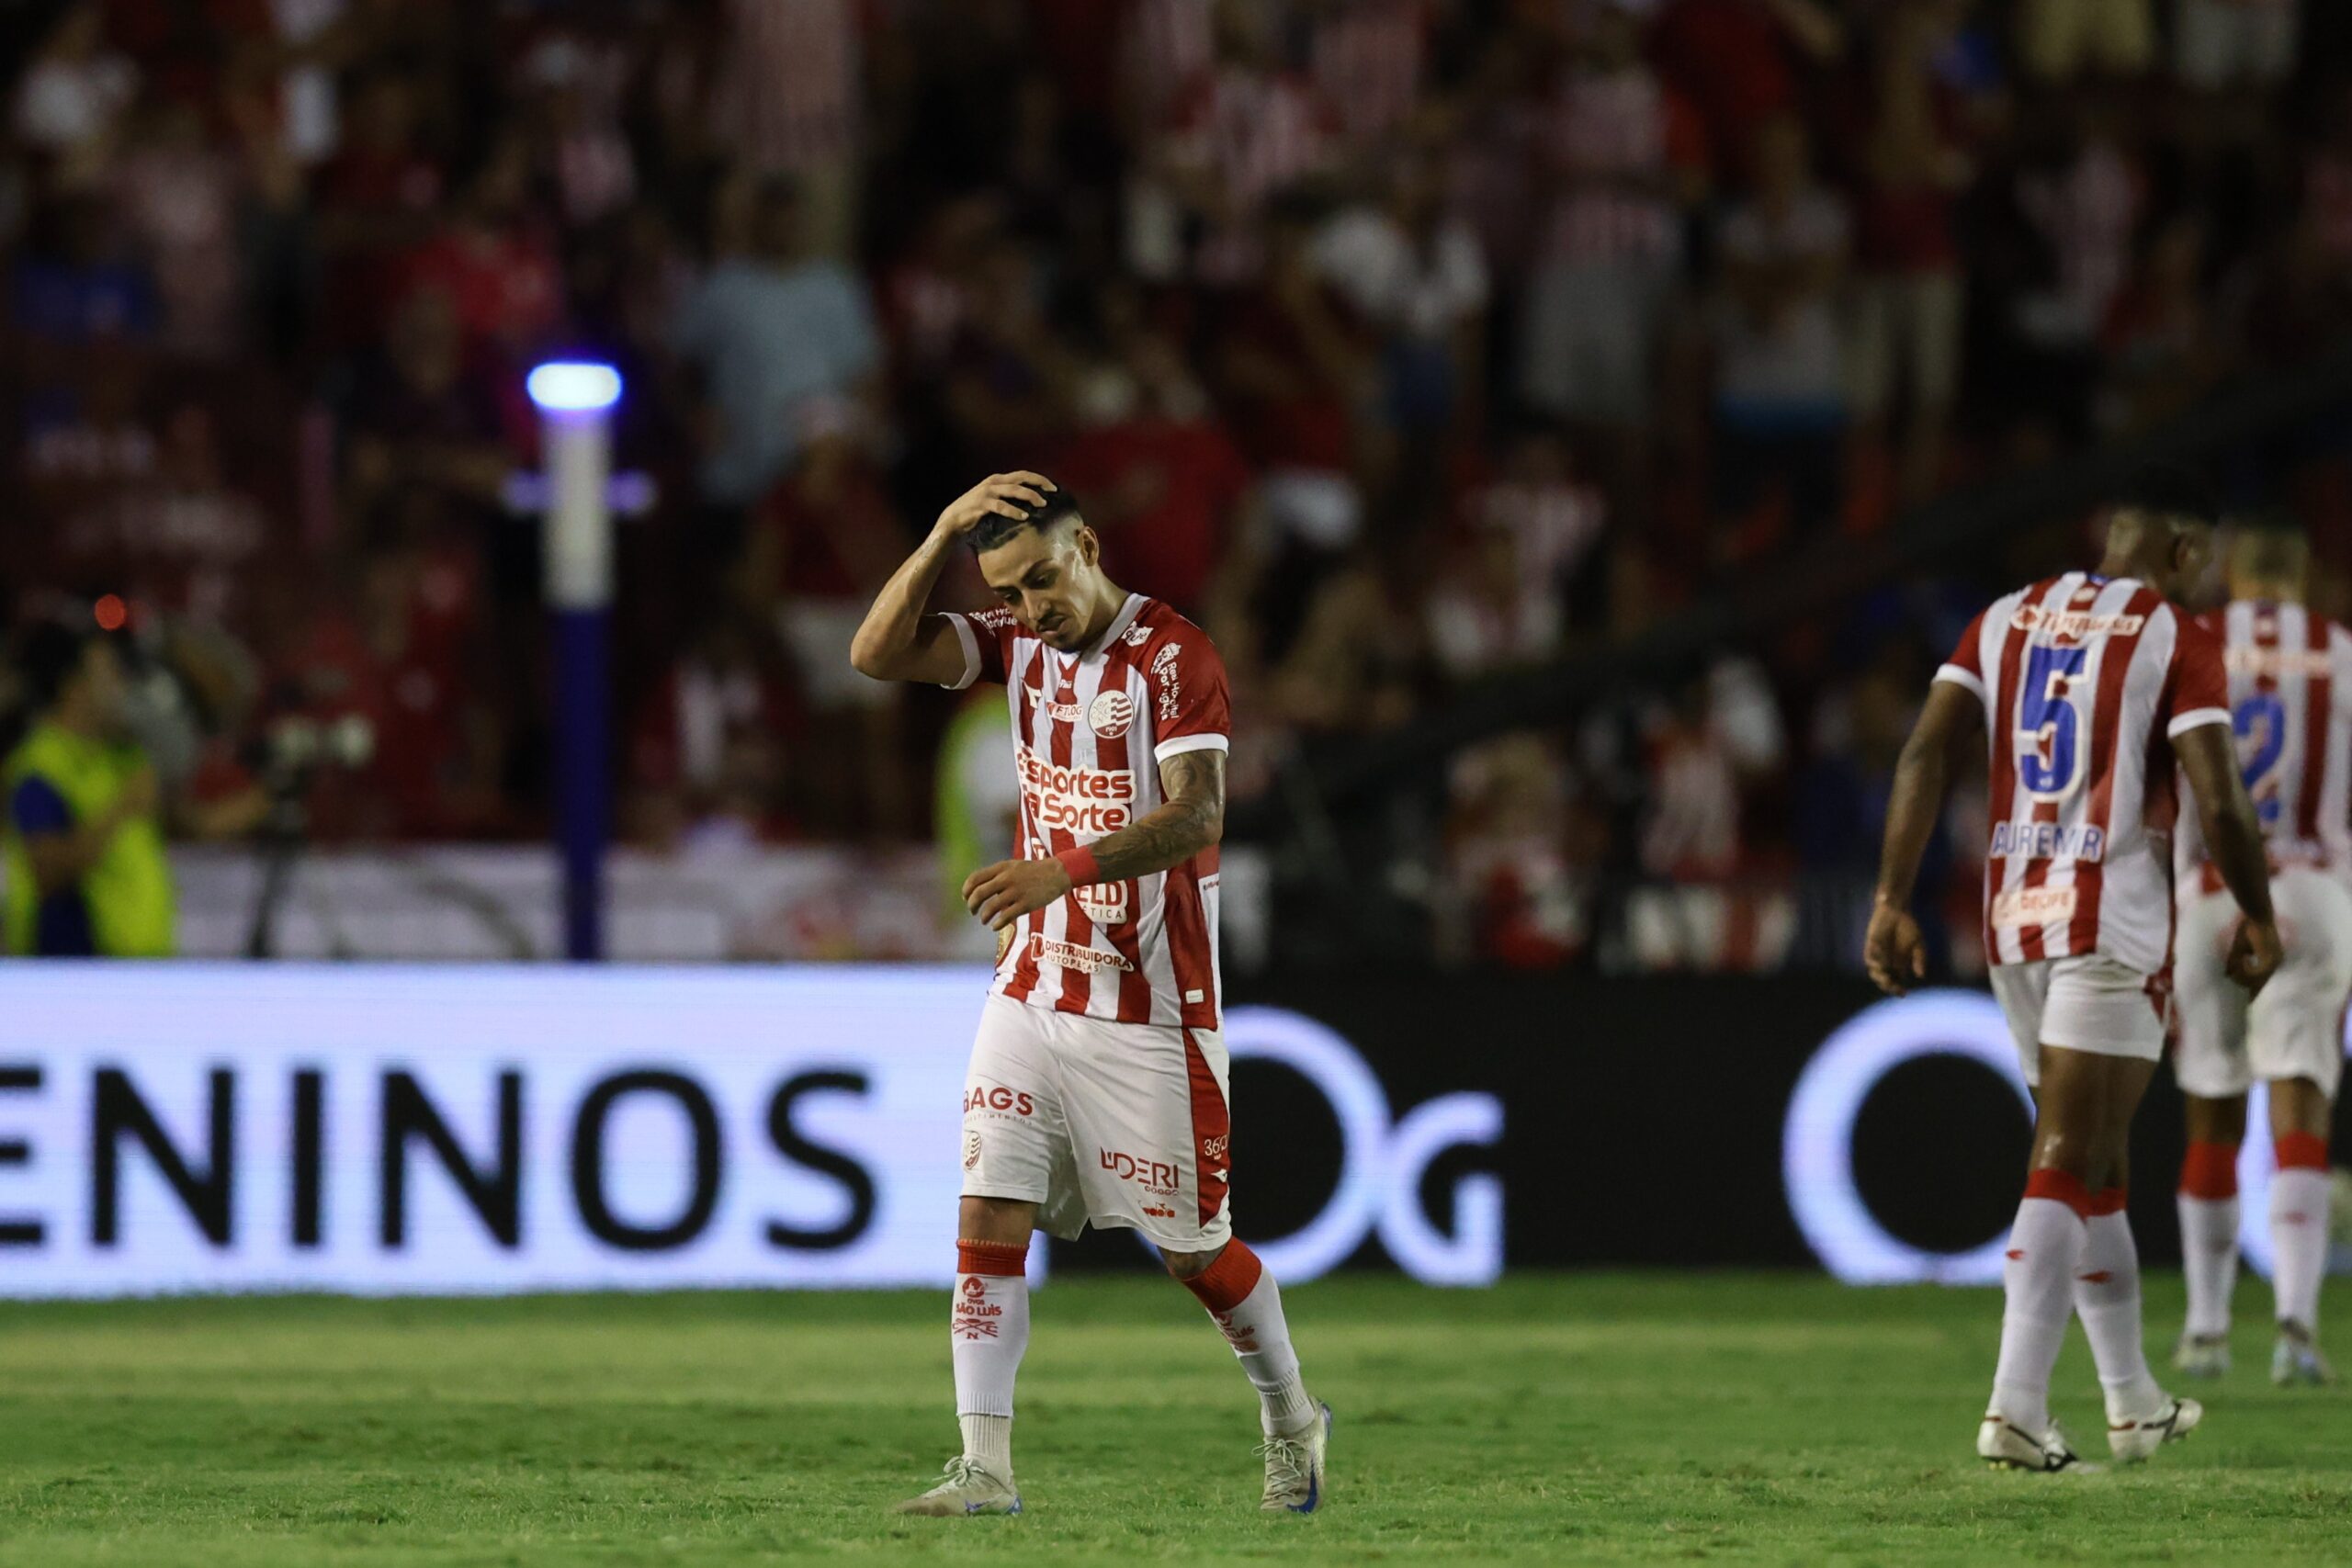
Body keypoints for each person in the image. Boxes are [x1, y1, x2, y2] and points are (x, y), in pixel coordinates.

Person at [850, 474, 1329, 1516]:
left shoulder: (1173, 656)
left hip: (1150, 1007)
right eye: (1008, 593)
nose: (1028, 611)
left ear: (1089, 547)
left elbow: (1197, 818)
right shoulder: (1016, 643)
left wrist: (1058, 871)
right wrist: (938, 530)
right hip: (1031, 987)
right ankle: (984, 1470)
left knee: (1196, 1251)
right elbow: (875, 654)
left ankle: (1291, 1416)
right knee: (986, 1213)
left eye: (1039, 582)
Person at [1864, 467, 2282, 1472]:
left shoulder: (2003, 617)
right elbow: (2219, 797)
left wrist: (1890, 895)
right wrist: (2259, 913)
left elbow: (1924, 753)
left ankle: (2131, 1402)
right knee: (2066, 1154)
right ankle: (2012, 1407)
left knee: (2098, 1167)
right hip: (2112, 916)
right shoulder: (2177, 635)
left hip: (2015, 918)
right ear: (2182, 552)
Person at [2171, 515, 2351, 1388]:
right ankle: (2296, 1329)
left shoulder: (2195, 642)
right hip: (2313, 895)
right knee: (2300, 1110)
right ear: (2304, 582)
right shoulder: (2342, 650)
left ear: (2235, 577)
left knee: (2212, 1109)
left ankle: (2205, 1330)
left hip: (2210, 892)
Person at [3, 620, 170, 957]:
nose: (121, 685)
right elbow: (47, 872)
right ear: (73, 686)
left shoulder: (121, 757)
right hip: (71, 970)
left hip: (138, 967)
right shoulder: (40, 768)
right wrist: (121, 809)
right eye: (107, 672)